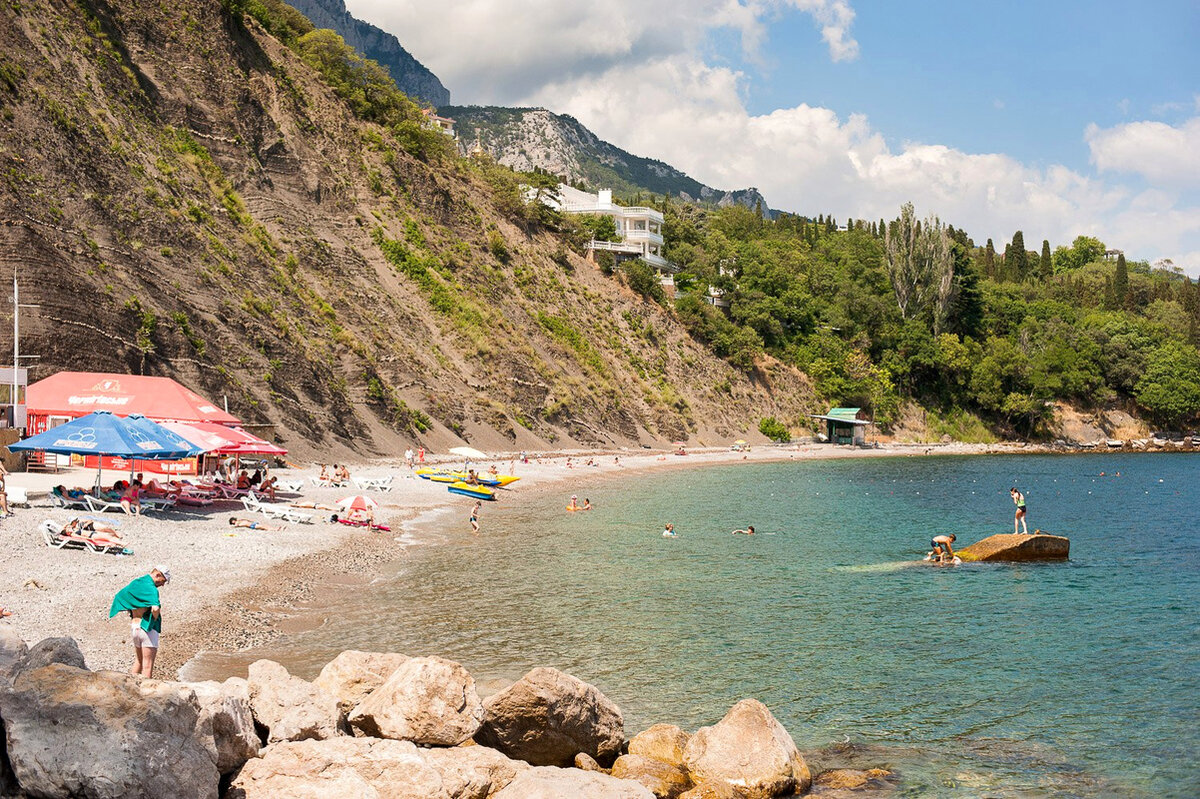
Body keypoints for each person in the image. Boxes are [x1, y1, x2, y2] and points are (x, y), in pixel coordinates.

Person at [109, 566, 170, 678]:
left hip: (135, 626)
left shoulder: (136, 583)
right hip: (147, 629)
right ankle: (146, 695)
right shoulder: (151, 589)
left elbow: (120, 596)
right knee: (147, 666)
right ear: (158, 574)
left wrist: (131, 610)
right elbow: (155, 608)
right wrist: (154, 619)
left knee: (139, 661)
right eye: (163, 581)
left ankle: (129, 689)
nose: (163, 585)